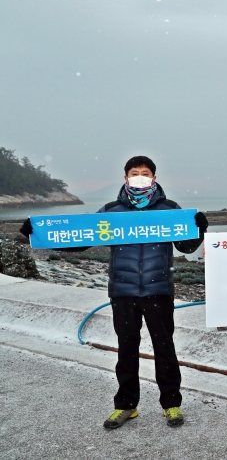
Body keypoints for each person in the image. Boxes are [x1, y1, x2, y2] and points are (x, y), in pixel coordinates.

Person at [19, 155, 208, 429]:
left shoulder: (170, 209)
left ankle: (172, 405)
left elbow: (186, 247)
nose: (140, 177)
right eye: (135, 172)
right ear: (125, 177)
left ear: (154, 178)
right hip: (122, 291)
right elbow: (80, 240)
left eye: (145, 173)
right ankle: (126, 406)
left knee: (164, 349)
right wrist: (36, 232)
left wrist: (199, 228)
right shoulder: (111, 211)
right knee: (126, 349)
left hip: (159, 290)